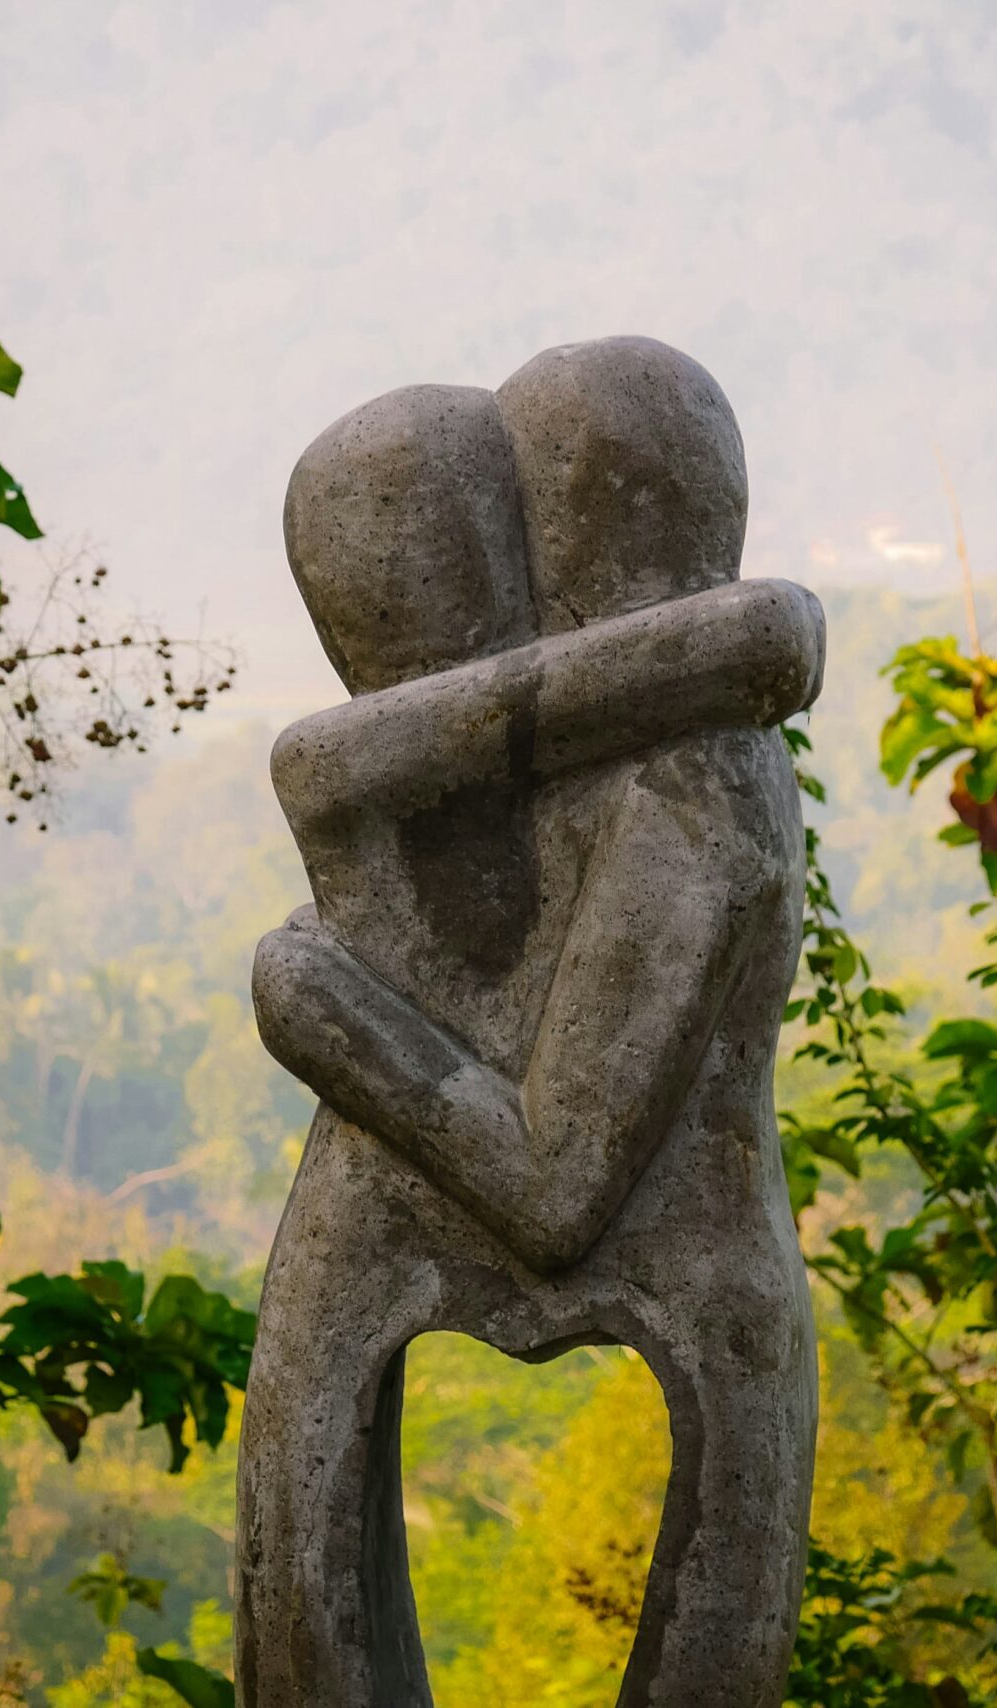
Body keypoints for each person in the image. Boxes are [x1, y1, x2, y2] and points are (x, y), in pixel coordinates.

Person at [236, 339, 822, 1708]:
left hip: (668, 1275)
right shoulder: (566, 756)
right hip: (375, 1236)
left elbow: (556, 1188)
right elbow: (340, 776)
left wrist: (320, 1012)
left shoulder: (696, 794)